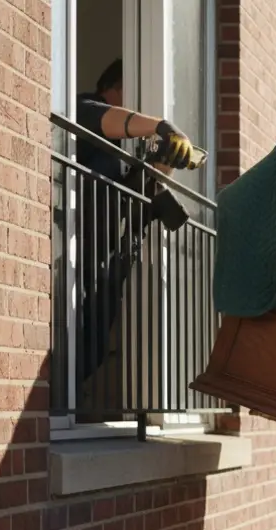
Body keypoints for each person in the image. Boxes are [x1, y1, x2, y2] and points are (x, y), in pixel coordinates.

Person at [70, 59, 197, 416]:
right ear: (117, 86)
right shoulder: (82, 104)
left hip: (109, 259)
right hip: (77, 252)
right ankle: (55, 414)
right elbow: (99, 119)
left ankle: (66, 408)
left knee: (92, 349)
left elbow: (130, 200)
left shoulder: (128, 152)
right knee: (72, 344)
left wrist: (158, 171)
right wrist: (159, 126)